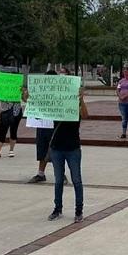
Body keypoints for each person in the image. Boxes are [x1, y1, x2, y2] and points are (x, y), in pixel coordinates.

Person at [48, 88, 89, 222]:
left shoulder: (75, 108)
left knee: (76, 180)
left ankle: (79, 210)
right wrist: (28, 96)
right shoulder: (56, 107)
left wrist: (81, 99)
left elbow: (86, 115)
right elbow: (39, 108)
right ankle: (57, 208)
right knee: (58, 180)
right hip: (57, 148)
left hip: (73, 148)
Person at [27, 70, 58, 183]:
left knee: (56, 149)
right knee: (42, 148)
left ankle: (61, 173)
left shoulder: (60, 93)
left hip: (55, 125)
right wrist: (25, 96)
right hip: (42, 124)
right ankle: (41, 173)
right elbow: (30, 102)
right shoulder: (40, 91)